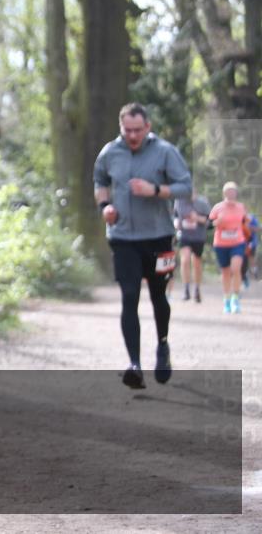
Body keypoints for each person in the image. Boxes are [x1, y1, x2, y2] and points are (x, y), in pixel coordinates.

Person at [94, 103, 192, 389]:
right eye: (128, 130)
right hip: (123, 237)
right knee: (129, 295)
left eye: (138, 130)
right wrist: (105, 206)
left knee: (159, 296)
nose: (133, 135)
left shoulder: (165, 151)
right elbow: (100, 180)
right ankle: (134, 365)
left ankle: (162, 345)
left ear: (147, 127)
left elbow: (185, 186)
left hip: (159, 237)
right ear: (121, 127)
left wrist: (156, 191)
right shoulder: (110, 153)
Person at [209, 182, 248, 314]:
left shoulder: (241, 207)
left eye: (233, 191)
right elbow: (209, 225)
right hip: (221, 243)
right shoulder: (218, 207)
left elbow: (245, 222)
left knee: (235, 268)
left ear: (236, 193)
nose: (231, 193)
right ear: (224, 193)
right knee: (225, 272)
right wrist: (217, 222)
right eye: (229, 191)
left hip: (237, 242)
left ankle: (235, 298)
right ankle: (226, 299)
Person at [173, 188, 211, 302]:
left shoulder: (203, 202)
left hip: (198, 237)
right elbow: (175, 216)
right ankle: (186, 289)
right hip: (184, 236)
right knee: (185, 260)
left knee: (196, 263)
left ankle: (197, 289)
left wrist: (197, 218)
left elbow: (209, 221)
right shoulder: (179, 201)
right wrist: (176, 223)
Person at [242, 211, 259, 288]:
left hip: (251, 243)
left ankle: (254, 274)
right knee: (242, 260)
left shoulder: (252, 217)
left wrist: (248, 227)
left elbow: (258, 228)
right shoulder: (237, 216)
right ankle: (245, 276)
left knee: (251, 259)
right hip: (241, 243)